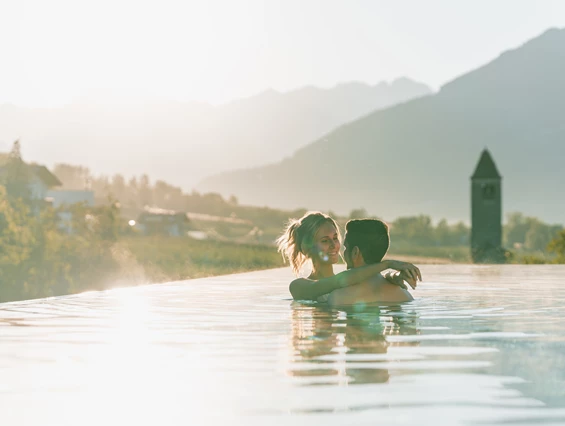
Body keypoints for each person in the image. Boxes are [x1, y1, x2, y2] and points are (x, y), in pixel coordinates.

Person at [276, 211, 421, 302]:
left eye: (335, 238)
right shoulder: (299, 286)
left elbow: (354, 280)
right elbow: (337, 282)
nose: (334, 246)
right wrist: (386, 265)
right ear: (307, 248)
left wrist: (389, 277)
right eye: (325, 241)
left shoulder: (348, 284)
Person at [327, 219, 416, 307]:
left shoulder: (339, 297)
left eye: (346, 247)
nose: (343, 253)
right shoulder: (405, 295)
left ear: (355, 252)